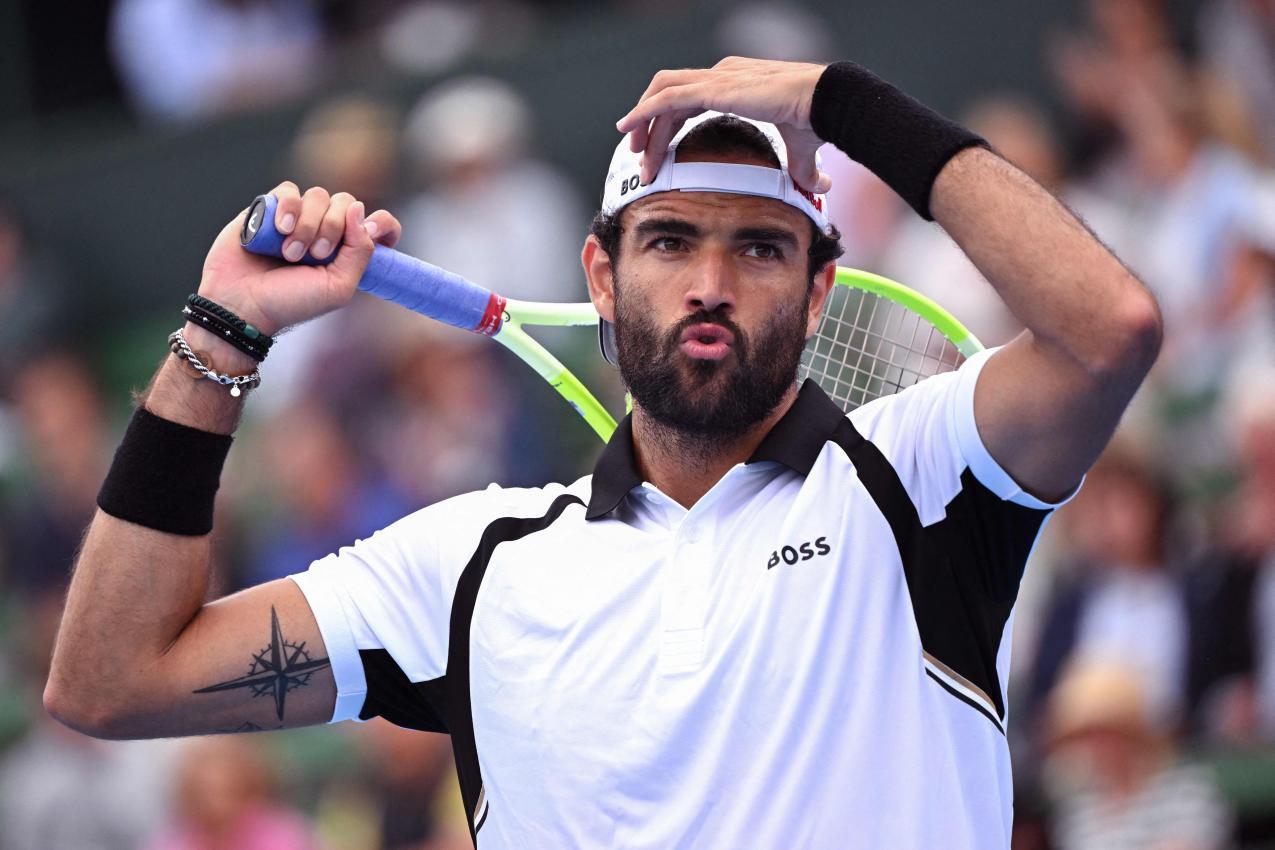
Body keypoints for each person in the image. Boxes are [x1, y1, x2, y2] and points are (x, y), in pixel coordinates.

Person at [45, 57, 1162, 849]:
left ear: (823, 289)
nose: (711, 284)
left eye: (762, 248)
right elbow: (109, 680)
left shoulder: (918, 474)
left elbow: (1109, 326)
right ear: (599, 275)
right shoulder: (468, 564)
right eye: (671, 239)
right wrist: (216, 335)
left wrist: (838, 100)